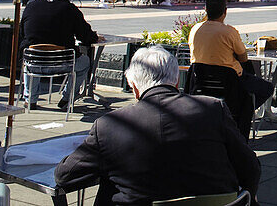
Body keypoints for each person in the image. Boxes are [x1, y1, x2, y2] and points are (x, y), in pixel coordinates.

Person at [55, 45, 261, 206]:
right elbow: (250, 167)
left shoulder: (110, 126)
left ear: (134, 88)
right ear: (176, 81)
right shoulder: (213, 109)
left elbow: (65, 176)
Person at [20, 0, 101, 110]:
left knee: (31, 58)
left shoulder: (31, 7)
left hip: (33, 61)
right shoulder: (70, 9)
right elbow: (85, 35)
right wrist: (95, 37)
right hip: (62, 63)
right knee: (84, 62)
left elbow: (23, 33)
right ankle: (67, 98)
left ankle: (30, 99)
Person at [188, 0, 276, 108]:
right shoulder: (229, 32)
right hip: (229, 81)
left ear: (205, 9)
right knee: (267, 88)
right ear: (225, 11)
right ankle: (246, 112)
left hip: (199, 80)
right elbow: (243, 57)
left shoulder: (195, 29)